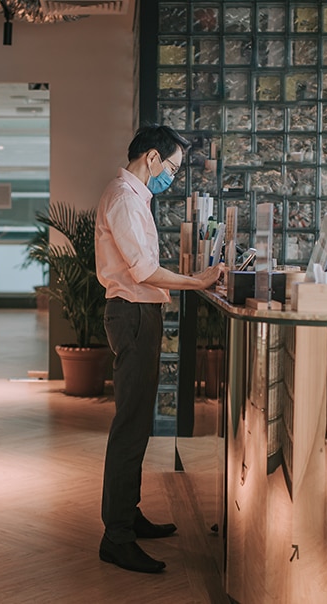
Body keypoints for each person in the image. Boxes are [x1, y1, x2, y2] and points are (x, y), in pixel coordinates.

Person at [94, 125, 223, 573]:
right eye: (171, 167)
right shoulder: (126, 199)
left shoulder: (134, 197)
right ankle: (117, 537)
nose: (172, 175)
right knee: (130, 425)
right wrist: (196, 282)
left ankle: (127, 516)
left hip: (138, 313)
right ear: (151, 157)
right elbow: (145, 271)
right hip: (131, 314)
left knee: (138, 421)